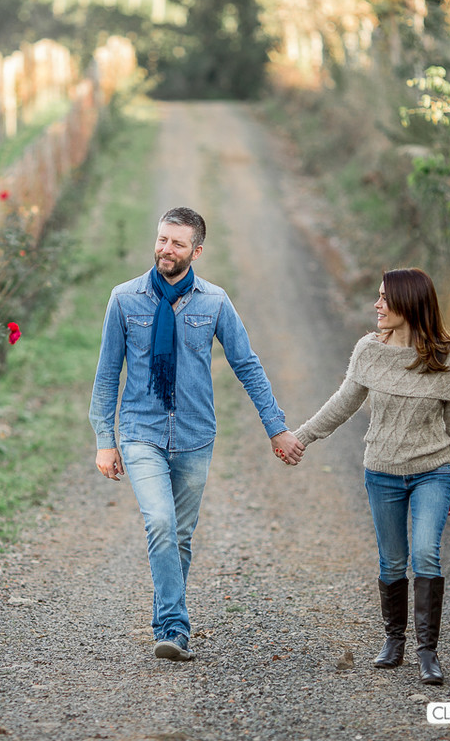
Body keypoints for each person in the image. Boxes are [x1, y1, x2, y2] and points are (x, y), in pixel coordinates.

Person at [90, 207, 304, 661]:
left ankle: (166, 617)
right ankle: (173, 627)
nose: (166, 249)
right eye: (163, 239)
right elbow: (108, 375)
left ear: (197, 251)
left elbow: (247, 364)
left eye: (178, 243)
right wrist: (104, 439)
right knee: (161, 523)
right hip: (140, 431)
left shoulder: (215, 302)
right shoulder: (124, 299)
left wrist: (276, 428)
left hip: (194, 436)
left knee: (180, 536)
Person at [289, 267, 450, 685]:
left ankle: (428, 653)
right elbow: (343, 403)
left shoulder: (447, 355)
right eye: (377, 297)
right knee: (392, 559)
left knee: (426, 552)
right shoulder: (369, 350)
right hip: (383, 472)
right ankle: (394, 641)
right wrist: (301, 437)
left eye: (385, 299)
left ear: (409, 304)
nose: (377, 305)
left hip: (433, 471)